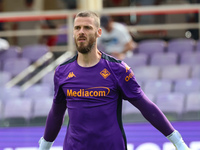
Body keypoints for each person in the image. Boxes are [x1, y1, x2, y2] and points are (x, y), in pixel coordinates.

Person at [38, 11, 191, 150]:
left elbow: (146, 107)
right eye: (77, 28)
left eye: (87, 27)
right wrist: (44, 146)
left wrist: (177, 141)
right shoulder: (62, 72)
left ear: (99, 33)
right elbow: (57, 114)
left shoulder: (118, 69)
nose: (81, 32)